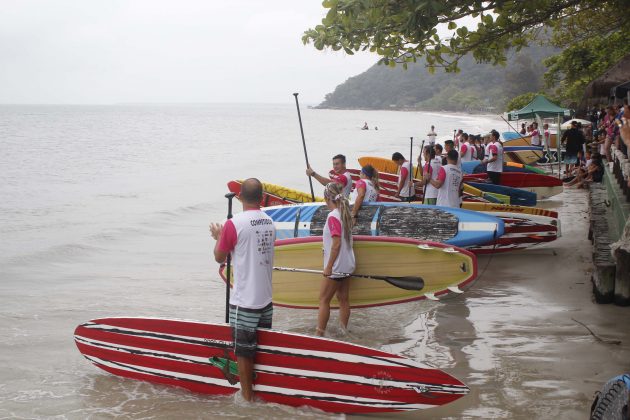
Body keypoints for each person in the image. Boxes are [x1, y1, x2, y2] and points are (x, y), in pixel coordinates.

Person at [210, 178, 275, 402]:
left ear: (239, 198)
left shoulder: (234, 223)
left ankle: (248, 401)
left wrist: (218, 237)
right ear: (262, 197)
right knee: (260, 350)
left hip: (245, 302)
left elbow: (219, 257)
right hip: (266, 300)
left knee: (244, 354)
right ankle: (262, 392)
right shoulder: (269, 221)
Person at [317, 182, 356, 336]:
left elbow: (336, 243)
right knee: (343, 298)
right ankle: (343, 331)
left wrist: (329, 267)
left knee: (323, 300)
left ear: (327, 198)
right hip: (348, 264)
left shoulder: (333, 215)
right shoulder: (344, 212)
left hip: (337, 267)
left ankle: (319, 335)